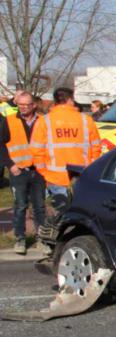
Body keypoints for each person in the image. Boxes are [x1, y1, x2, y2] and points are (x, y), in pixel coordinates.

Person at [31, 88, 101, 248]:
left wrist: (44, 172)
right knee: (80, 214)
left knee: (60, 211)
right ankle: (73, 243)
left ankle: (53, 244)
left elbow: (36, 150)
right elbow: (96, 148)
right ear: (70, 100)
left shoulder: (45, 121)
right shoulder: (85, 120)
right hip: (80, 176)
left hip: (55, 177)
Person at [0, 92, 45, 254]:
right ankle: (20, 239)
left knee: (39, 206)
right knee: (20, 206)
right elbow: (1, 145)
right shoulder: (10, 120)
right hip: (18, 170)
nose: (23, 108)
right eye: (20, 105)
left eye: (26, 105)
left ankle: (42, 238)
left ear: (33, 105)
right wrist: (11, 165)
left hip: (39, 170)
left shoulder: (42, 121)